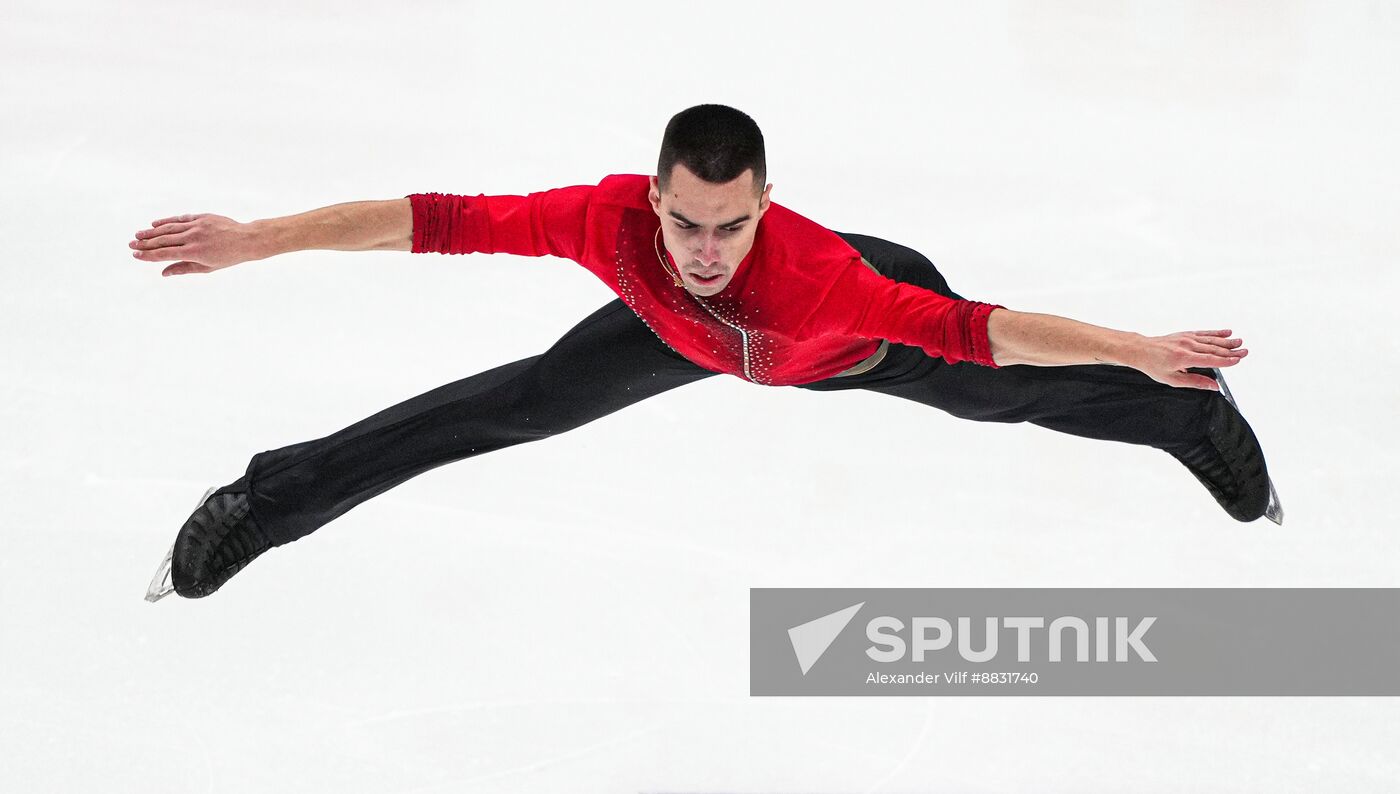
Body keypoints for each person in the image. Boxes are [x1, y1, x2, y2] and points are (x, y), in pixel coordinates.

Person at [134, 104, 1280, 602]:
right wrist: (257, 239)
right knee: (521, 401)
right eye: (685, 221)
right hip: (685, 343)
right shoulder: (602, 222)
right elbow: (426, 218)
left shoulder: (826, 279)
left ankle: (1191, 414)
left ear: (767, 204)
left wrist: (1139, 348)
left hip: (837, 344)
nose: (704, 247)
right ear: (653, 196)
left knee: (1003, 398)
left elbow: (985, 329)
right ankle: (268, 498)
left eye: (731, 224)